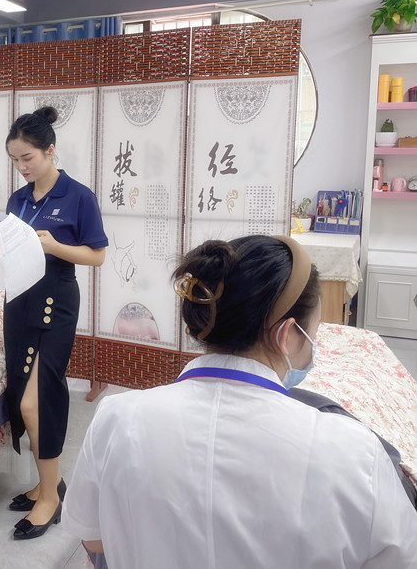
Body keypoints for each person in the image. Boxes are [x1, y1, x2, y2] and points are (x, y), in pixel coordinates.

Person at [62, 235, 417, 567]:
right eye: (314, 333)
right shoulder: (356, 455)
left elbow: (93, 540)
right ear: (287, 335)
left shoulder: (116, 420)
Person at [0, 106, 107, 540]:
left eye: (27, 158)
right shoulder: (18, 200)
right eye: (15, 160)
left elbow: (96, 255)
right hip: (19, 299)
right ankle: (47, 484)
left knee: (38, 401)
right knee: (22, 398)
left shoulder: (78, 196)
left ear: (50, 150)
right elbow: (15, 250)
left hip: (56, 301)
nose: (21, 167)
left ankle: (51, 498)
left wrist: (54, 245)